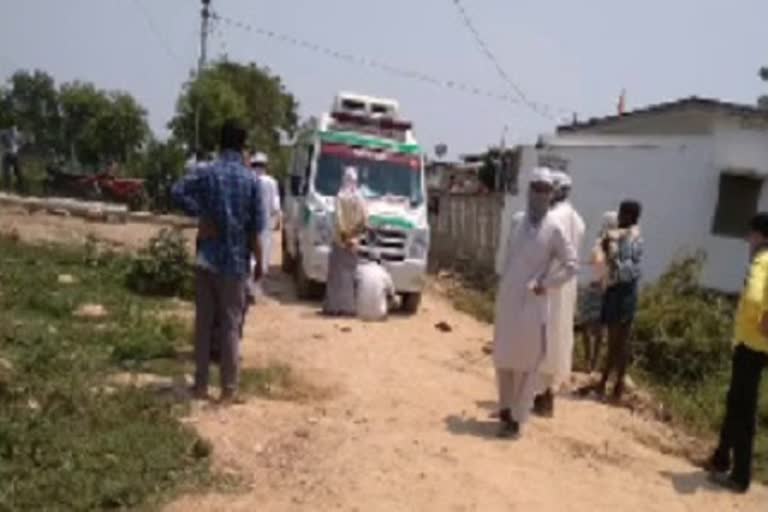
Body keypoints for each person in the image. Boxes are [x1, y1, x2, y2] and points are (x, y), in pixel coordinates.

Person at [172, 119, 264, 404]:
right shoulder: (252, 181)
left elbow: (176, 191)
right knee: (230, 326)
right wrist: (259, 262)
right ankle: (228, 390)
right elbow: (255, 228)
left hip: (207, 258)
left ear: (220, 142)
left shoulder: (206, 172)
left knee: (203, 323)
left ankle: (200, 385)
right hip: (235, 264)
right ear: (242, 145)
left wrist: (202, 215)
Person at [492, 167, 578, 438]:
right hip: (508, 299)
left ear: (551, 194)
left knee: (527, 364)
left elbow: (572, 265)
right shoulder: (517, 220)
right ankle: (505, 409)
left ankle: (518, 418)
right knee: (504, 358)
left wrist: (547, 284)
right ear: (529, 190)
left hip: (533, 304)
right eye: (536, 188)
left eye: (545, 189)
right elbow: (508, 257)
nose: (540, 194)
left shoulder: (555, 228)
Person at [706, 213, 768, 493]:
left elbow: (755, 297)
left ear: (760, 236)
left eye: (751, 234)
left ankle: (740, 476)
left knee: (743, 408)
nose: (747, 240)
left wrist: (760, 319)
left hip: (750, 344)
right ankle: (721, 458)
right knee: (736, 403)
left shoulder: (760, 261)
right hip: (758, 346)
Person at [534, 170, 585, 417]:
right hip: (566, 289)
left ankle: (540, 397)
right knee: (558, 340)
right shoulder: (578, 220)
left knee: (541, 340)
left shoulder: (552, 218)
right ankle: (547, 395)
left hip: (548, 286)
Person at [595, 200, 643, 401]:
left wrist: (613, 257)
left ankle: (613, 385)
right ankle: (607, 383)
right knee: (614, 340)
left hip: (624, 293)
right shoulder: (620, 235)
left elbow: (629, 270)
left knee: (619, 341)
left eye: (622, 214)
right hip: (614, 291)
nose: (619, 218)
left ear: (631, 216)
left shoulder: (634, 238)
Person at [323, 167, 367, 316]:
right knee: (350, 276)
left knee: (336, 276)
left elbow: (338, 220)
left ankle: (333, 308)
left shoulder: (340, 197)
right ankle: (349, 308)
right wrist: (354, 237)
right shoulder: (360, 198)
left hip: (340, 242)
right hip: (354, 243)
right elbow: (365, 221)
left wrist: (345, 237)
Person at [580, 211, 618, 374]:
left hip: (598, 287)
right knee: (593, 327)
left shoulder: (609, 245)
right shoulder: (609, 244)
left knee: (590, 326)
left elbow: (599, 264)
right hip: (601, 287)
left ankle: (591, 363)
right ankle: (591, 363)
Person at [249, 152, 281, 278]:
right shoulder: (272, 182)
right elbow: (275, 206)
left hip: (248, 223)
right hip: (265, 225)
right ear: (265, 166)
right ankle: (255, 285)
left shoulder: (248, 179)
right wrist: (277, 220)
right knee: (262, 253)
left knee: (249, 253)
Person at [356, 253, 395, 321]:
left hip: (359, 314)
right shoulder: (384, 272)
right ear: (379, 261)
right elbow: (391, 293)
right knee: (395, 299)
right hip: (379, 315)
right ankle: (381, 312)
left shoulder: (360, 269)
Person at [2, 125, 24, 193]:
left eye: (14, 130)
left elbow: (22, 142)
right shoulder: (5, 133)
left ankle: (20, 188)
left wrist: (18, 147)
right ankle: (8, 189)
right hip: (7, 155)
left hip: (14, 155)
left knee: (18, 172)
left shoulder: (18, 135)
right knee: (7, 173)